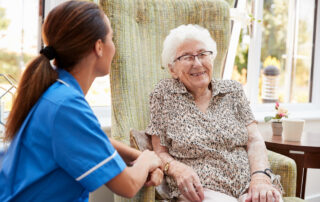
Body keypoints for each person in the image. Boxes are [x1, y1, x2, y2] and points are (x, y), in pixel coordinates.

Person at [0, 1, 163, 201]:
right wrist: (147, 159)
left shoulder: (56, 94)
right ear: (99, 47)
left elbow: (92, 138)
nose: (114, 46)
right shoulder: (66, 107)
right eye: (112, 38)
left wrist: (137, 156)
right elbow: (127, 185)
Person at [146, 24, 283, 202]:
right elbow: (159, 150)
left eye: (203, 54)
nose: (197, 63)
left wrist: (259, 178)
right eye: (187, 57)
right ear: (173, 69)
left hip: (248, 186)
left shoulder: (233, 90)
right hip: (202, 190)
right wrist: (177, 168)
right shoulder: (164, 94)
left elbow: (254, 140)